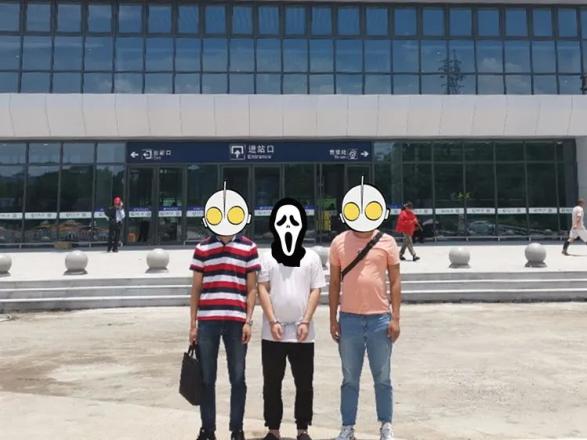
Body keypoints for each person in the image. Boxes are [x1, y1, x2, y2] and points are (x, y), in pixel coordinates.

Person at [329, 179, 402, 440]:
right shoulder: (338, 243)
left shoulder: (387, 242)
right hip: (349, 319)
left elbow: (395, 281)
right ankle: (348, 427)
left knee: (382, 376)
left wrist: (395, 318)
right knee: (350, 378)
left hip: (379, 319)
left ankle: (386, 425)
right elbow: (334, 283)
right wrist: (333, 319)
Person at [189, 184, 260, 440]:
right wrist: (193, 325)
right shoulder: (202, 248)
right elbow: (196, 289)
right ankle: (208, 429)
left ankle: (236, 429)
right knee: (206, 379)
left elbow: (251, 289)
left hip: (236, 322)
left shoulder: (249, 248)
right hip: (207, 322)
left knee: (237, 378)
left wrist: (248, 320)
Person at [257, 198, 326, 440]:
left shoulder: (311, 258)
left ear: (302, 225)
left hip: (302, 332)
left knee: (304, 384)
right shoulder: (267, 257)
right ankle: (273, 429)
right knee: (271, 383)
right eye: (282, 220)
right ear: (274, 225)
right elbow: (262, 288)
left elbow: (316, 290)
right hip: (272, 333)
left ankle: (302, 428)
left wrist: (306, 320)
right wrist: (273, 321)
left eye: (293, 221)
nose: (288, 225)